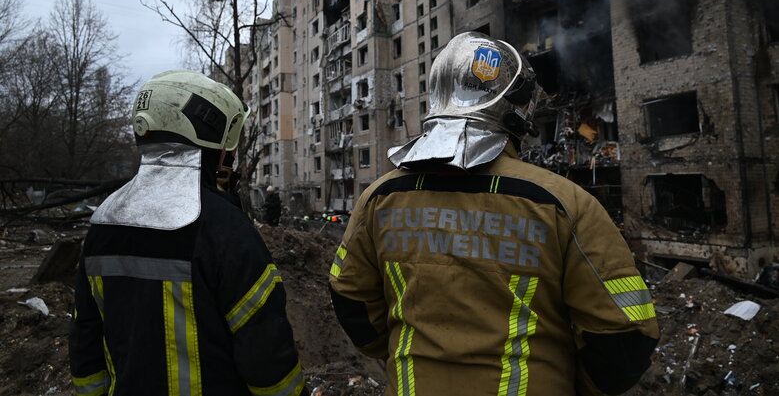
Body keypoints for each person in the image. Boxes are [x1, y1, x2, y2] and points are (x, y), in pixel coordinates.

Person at [328, 33, 659, 396]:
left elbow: (351, 299)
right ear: (520, 109)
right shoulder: (563, 204)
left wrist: (405, 352)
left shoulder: (379, 197)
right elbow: (624, 335)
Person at [70, 70, 308, 396]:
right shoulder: (226, 229)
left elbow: (86, 341)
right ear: (212, 138)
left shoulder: (104, 223)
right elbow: (266, 355)